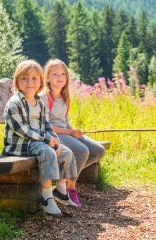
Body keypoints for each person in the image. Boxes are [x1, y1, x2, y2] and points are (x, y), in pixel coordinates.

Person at [3, 59, 78, 217]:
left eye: (34, 78)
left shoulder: (40, 103)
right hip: (20, 144)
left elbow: (47, 125)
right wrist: (46, 140)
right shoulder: (15, 103)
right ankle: (46, 196)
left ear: (41, 82)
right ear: (17, 81)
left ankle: (61, 191)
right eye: (24, 78)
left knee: (66, 152)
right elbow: (20, 129)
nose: (29, 82)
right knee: (47, 152)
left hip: (38, 141)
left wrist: (55, 140)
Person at [41, 59, 106, 209]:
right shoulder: (45, 97)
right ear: (47, 77)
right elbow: (45, 125)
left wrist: (74, 131)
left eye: (63, 74)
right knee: (83, 151)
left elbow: (65, 120)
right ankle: (70, 188)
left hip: (66, 131)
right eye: (55, 74)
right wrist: (69, 132)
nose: (60, 77)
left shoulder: (65, 96)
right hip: (54, 134)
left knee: (98, 151)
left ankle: (63, 175)